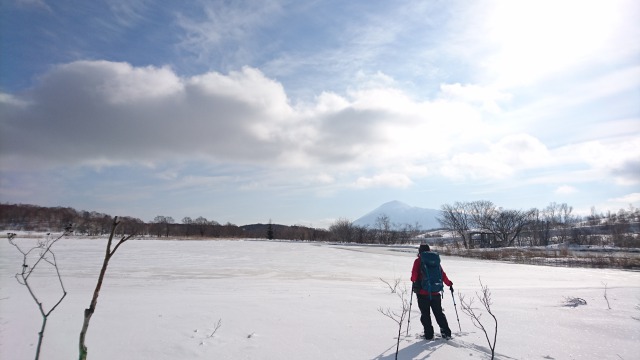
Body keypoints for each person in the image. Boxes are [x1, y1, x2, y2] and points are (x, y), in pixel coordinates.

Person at [411, 244, 453, 340]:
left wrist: (413, 280)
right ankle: (446, 332)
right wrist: (449, 283)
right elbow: (442, 274)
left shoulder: (418, 261)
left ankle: (429, 334)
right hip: (435, 292)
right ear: (429, 250)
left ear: (419, 251)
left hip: (422, 293)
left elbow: (414, 276)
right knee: (439, 313)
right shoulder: (435, 260)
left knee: (425, 314)